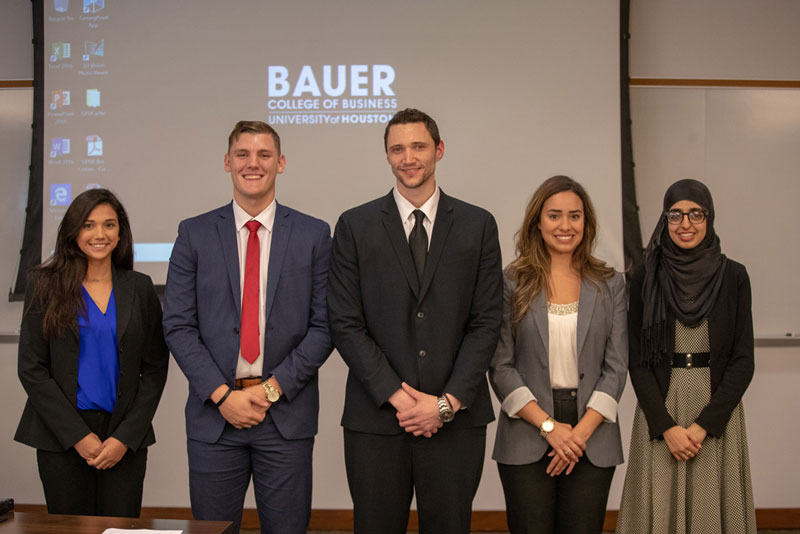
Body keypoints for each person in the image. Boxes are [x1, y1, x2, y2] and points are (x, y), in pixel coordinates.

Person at [327, 108, 503, 534]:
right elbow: (345, 322)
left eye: (419, 146)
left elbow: (487, 321)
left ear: (439, 151)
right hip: (377, 421)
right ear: (387, 156)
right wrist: (402, 400)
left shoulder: (478, 225)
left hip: (455, 421)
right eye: (397, 149)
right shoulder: (355, 225)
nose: (408, 157)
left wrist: (444, 404)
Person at [162, 121, 332, 534]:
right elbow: (178, 325)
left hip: (284, 417)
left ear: (281, 163)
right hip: (214, 419)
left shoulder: (313, 234)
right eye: (242, 154)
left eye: (263, 155)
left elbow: (325, 326)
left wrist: (269, 391)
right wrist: (223, 396)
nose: (252, 164)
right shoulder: (194, 233)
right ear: (227, 162)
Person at [15, 188, 169, 517]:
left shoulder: (139, 288)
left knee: (119, 529)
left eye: (109, 225)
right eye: (88, 225)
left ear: (120, 232)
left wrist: (124, 438)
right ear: (73, 232)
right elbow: (32, 368)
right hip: (62, 437)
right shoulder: (44, 285)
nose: (100, 234)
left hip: (123, 437)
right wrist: (78, 437)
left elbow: (155, 370)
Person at [489, 176, 628, 533]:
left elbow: (616, 367)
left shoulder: (610, 283)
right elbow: (500, 366)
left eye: (575, 216)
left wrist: (577, 435)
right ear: (538, 221)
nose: (565, 226)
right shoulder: (512, 281)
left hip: (591, 434)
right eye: (554, 216)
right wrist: (550, 428)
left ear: (587, 223)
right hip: (527, 429)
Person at [616, 179, 756, 533]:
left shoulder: (734, 275)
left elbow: (743, 360)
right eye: (675, 215)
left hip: (714, 414)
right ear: (664, 220)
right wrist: (666, 427)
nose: (686, 224)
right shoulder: (646, 275)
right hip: (662, 408)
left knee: (711, 511)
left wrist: (704, 425)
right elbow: (637, 359)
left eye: (696, 214)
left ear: (709, 219)